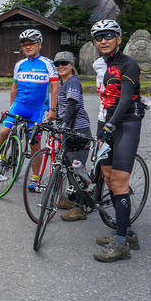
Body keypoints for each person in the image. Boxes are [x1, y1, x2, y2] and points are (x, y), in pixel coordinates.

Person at [90, 19, 145, 263]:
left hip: (126, 123)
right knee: (109, 177)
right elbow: (104, 100)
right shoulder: (100, 65)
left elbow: (124, 99)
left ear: (119, 38)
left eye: (108, 35)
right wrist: (103, 125)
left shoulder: (129, 64)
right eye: (99, 37)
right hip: (106, 123)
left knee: (120, 181)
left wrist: (111, 125)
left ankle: (121, 244)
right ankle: (127, 231)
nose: (103, 40)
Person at [0, 29, 59, 182]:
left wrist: (52, 109)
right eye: (25, 45)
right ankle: (2, 156)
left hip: (36, 109)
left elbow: (55, 86)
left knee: (34, 144)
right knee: (4, 131)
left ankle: (35, 176)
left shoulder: (47, 63)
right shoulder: (20, 64)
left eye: (31, 44)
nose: (28, 47)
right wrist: (11, 108)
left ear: (40, 45)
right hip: (19, 105)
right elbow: (14, 87)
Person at [51, 51, 93, 222]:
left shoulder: (73, 82)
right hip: (68, 130)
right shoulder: (65, 82)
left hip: (78, 131)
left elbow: (72, 104)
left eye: (64, 63)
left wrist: (65, 123)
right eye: (57, 64)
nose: (60, 66)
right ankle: (72, 199)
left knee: (77, 169)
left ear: (72, 66)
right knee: (69, 167)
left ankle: (81, 208)